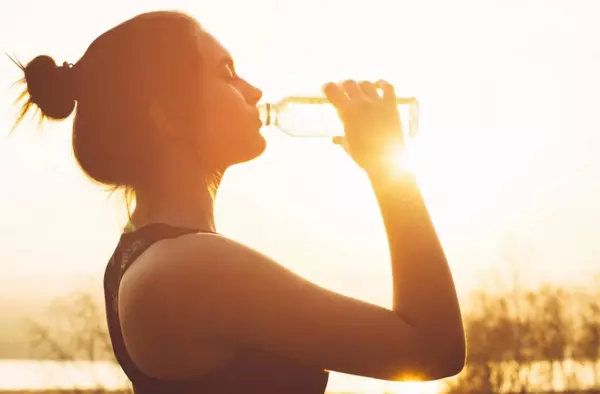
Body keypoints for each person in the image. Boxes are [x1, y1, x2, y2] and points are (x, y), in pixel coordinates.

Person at [12, 10, 465, 394]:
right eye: (226, 73)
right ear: (168, 114)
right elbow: (433, 348)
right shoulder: (187, 268)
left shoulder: (149, 257)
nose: (253, 91)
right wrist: (389, 169)